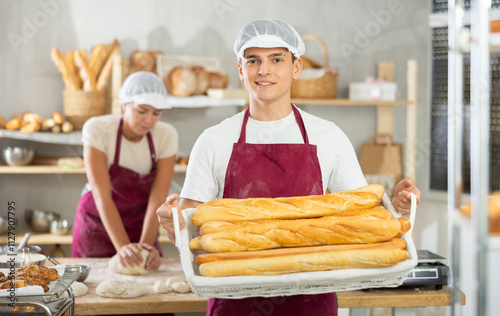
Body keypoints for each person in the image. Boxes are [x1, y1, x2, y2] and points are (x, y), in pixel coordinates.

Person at [157, 19, 421, 316]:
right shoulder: (213, 140)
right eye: (253, 60)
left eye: (277, 59)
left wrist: (397, 207)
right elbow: (192, 227)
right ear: (241, 70)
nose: (264, 70)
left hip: (311, 304)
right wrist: (173, 224)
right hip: (234, 303)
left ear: (296, 69)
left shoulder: (328, 136)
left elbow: (363, 216)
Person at [72, 71, 178, 272]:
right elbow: (101, 194)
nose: (149, 120)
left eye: (157, 113)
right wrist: (123, 247)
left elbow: (158, 196)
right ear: (124, 105)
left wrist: (145, 246)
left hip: (142, 225)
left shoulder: (166, 135)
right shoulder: (97, 129)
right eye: (142, 110)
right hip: (98, 227)